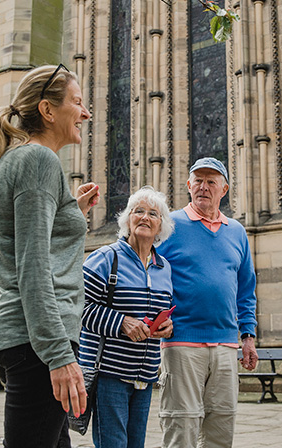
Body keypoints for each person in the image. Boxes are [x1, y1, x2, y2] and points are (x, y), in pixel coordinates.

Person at [0, 64, 100, 447]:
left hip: (27, 342)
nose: (86, 112)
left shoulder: (20, 161)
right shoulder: (38, 161)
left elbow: (27, 244)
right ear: (47, 110)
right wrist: (59, 355)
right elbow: (32, 268)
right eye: (77, 102)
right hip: (38, 343)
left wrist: (68, 212)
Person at [156, 157, 259, 448]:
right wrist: (156, 315)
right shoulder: (170, 225)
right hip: (182, 343)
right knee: (181, 425)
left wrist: (248, 336)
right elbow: (148, 270)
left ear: (223, 189)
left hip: (226, 345)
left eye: (211, 181)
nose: (203, 187)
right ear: (188, 186)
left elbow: (246, 288)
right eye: (198, 180)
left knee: (221, 429)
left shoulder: (237, 231)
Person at [79, 186, 175, 448]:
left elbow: (162, 311)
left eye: (153, 214)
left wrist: (166, 327)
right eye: (139, 211)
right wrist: (121, 322)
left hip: (144, 374)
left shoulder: (163, 267)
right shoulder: (105, 258)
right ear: (127, 219)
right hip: (109, 373)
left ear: (161, 226)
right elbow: (78, 307)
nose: (145, 217)